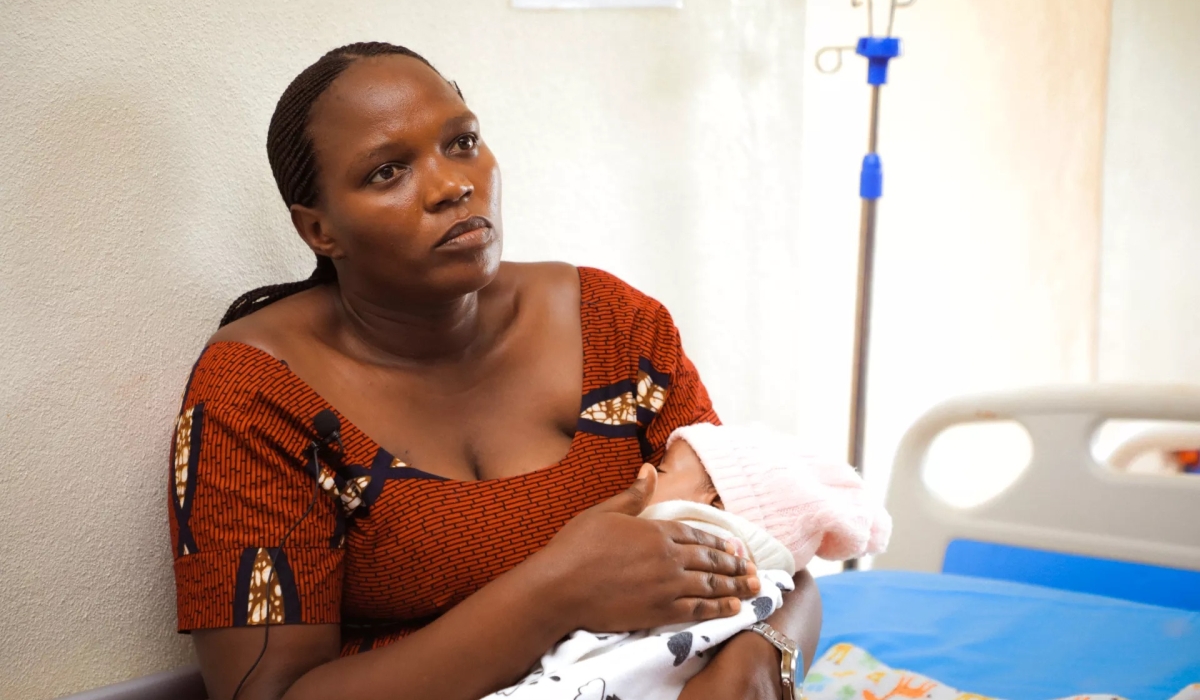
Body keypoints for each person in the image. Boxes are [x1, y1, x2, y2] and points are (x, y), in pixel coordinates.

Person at [167, 42, 822, 700]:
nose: (453, 184)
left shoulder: (621, 328)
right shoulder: (255, 396)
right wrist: (558, 589)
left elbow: (771, 550)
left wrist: (765, 662)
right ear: (318, 230)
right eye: (388, 171)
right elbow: (266, 695)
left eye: (462, 141)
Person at [481, 423, 890, 700]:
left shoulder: (683, 537)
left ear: (713, 504)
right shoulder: (768, 582)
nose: (642, 474)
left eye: (660, 468)